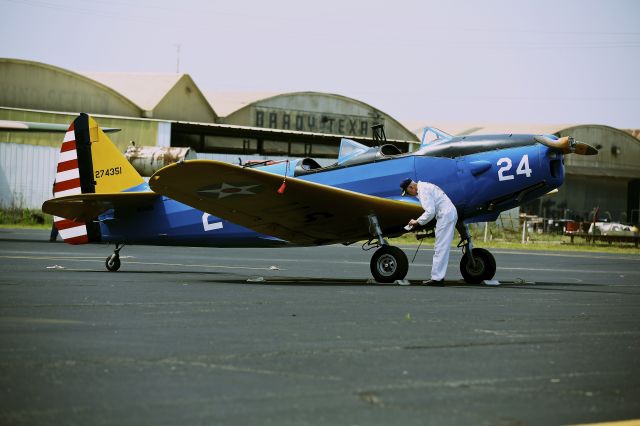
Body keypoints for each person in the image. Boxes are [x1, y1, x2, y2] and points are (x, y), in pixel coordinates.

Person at [400, 178, 458, 286]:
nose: (410, 195)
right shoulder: (425, 186)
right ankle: (437, 277)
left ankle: (437, 279)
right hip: (446, 214)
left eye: (408, 192)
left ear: (411, 187)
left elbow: (430, 212)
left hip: (445, 215)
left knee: (440, 247)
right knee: (441, 247)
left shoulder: (423, 191)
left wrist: (416, 222)